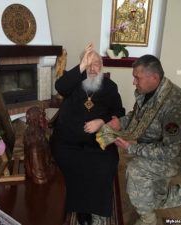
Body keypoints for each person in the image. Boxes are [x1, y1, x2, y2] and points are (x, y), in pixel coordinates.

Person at [97, 55, 181, 225]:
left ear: (154, 77)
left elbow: (170, 151)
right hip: (153, 147)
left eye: (137, 77)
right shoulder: (149, 92)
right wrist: (119, 123)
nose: (134, 82)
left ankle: (148, 219)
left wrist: (131, 148)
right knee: (153, 198)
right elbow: (136, 116)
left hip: (176, 156)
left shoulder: (175, 106)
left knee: (135, 171)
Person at [50, 43, 125, 225]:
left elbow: (120, 112)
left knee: (104, 163)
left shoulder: (109, 87)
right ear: (82, 65)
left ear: (102, 66)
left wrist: (102, 121)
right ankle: (81, 209)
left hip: (97, 142)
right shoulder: (73, 82)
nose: (93, 68)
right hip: (67, 141)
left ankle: (94, 207)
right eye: (88, 64)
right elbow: (60, 87)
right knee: (73, 164)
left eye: (96, 63)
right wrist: (81, 66)